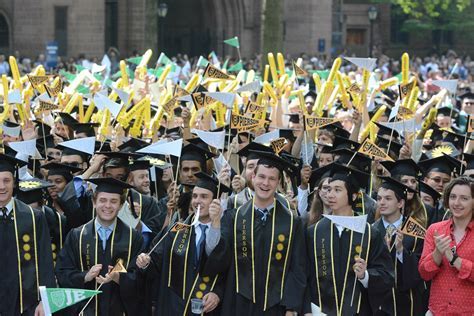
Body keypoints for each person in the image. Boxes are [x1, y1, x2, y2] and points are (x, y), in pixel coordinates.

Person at [221, 151, 307, 315]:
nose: (265, 183)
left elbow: (298, 268)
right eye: (261, 177)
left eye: (272, 178)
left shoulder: (292, 223)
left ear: (278, 183)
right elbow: (221, 261)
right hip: (238, 303)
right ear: (252, 177)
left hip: (275, 305)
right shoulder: (234, 218)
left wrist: (291, 306)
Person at [136, 172, 231, 315]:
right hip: (174, 307)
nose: (197, 201)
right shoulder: (177, 229)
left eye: (204, 197)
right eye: (195, 196)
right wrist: (145, 261)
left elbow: (230, 273)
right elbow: (156, 261)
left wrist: (218, 293)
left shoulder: (226, 232)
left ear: (215, 201)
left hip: (207, 307)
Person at [306, 163, 394, 315]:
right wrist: (308, 309)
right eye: (328, 189)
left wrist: (365, 276)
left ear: (353, 196)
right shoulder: (313, 232)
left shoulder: (370, 233)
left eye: (337, 190)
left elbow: (386, 276)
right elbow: (304, 275)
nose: (330, 195)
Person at [55, 177, 145, 315]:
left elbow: (141, 280)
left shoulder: (134, 238)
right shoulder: (77, 235)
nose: (108, 206)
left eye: (113, 201)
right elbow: (62, 273)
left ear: (121, 205)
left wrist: (120, 278)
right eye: (103, 200)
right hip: (85, 311)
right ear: (94, 202)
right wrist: (85, 276)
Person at [0, 153, 56, 316]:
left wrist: (45, 301)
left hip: (26, 303)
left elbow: (45, 261)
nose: (2, 186)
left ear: (15, 183)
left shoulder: (33, 216)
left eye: (6, 180)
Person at [419, 176, 474, 315]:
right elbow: (424, 274)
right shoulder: (435, 230)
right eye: (453, 197)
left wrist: (455, 260)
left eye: (464, 198)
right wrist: (438, 253)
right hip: (438, 311)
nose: (457, 203)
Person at [373, 177, 426, 315]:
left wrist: (401, 251)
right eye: (379, 198)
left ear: (400, 203)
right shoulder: (371, 230)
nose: (382, 203)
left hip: (408, 303)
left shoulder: (416, 233)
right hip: (379, 304)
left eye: (388, 199)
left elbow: (420, 272)